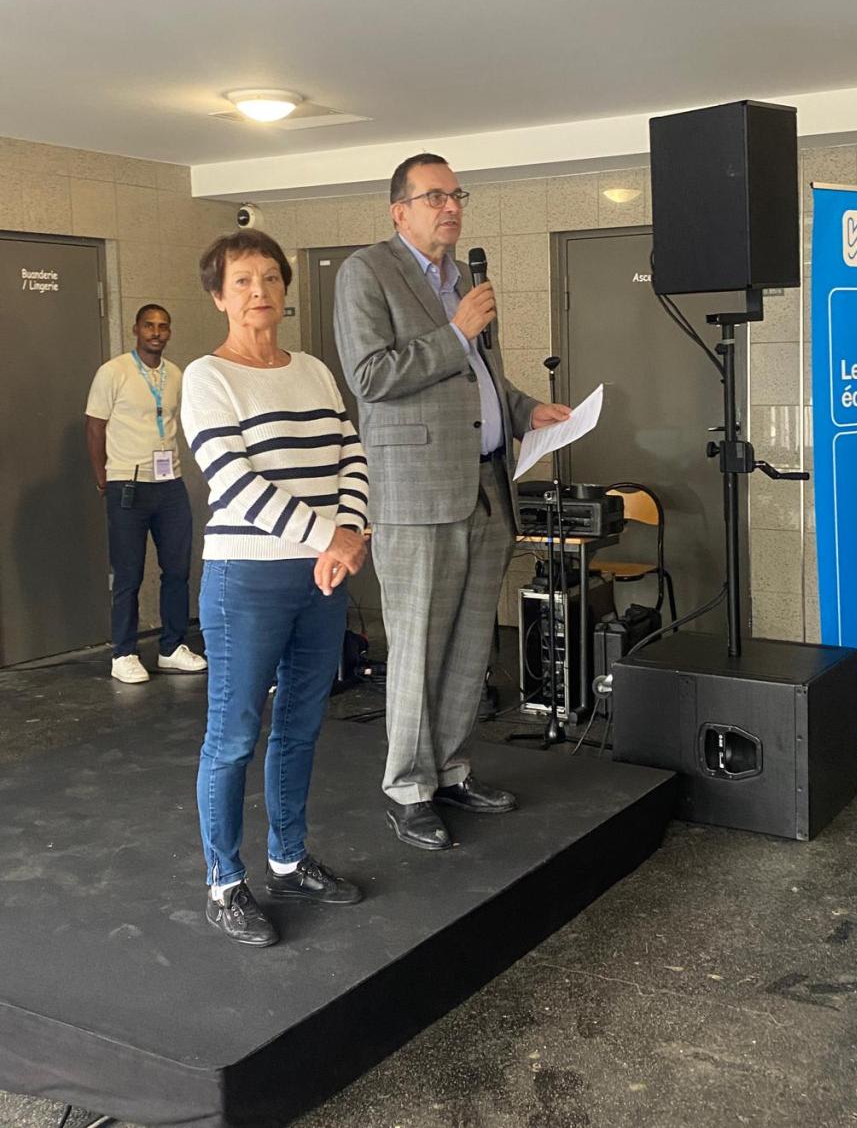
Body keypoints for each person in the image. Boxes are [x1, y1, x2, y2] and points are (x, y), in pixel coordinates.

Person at [334, 153, 571, 852]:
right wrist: (457, 331)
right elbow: (370, 376)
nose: (451, 207)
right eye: (435, 196)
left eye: (456, 194)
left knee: (470, 646)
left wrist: (526, 411)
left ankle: (450, 770)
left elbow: (480, 378)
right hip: (416, 495)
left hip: (487, 486)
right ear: (399, 210)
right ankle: (408, 789)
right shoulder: (367, 272)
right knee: (418, 647)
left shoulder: (461, 277)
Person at [182, 230, 370, 948]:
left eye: (269, 277)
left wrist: (349, 532)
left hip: (320, 577)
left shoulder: (314, 371)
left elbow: (352, 455)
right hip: (247, 578)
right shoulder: (208, 377)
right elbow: (234, 482)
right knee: (233, 736)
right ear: (219, 296)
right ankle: (224, 882)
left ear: (285, 289)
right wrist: (332, 538)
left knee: (300, 725)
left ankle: (289, 860)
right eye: (241, 281)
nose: (258, 291)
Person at [85, 304, 207, 684]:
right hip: (128, 483)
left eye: (163, 326)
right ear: (135, 329)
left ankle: (172, 647)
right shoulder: (114, 371)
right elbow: (94, 426)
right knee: (128, 574)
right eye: (149, 326)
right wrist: (103, 478)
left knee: (177, 569)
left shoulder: (176, 374)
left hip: (169, 485)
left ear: (169, 332)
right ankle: (123, 653)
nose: (156, 332)